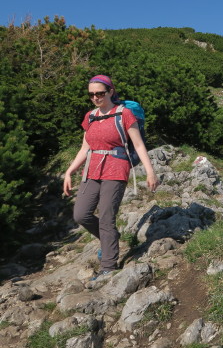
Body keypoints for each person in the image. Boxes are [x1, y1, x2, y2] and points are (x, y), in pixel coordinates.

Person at [63, 75, 158, 279]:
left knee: (107, 216)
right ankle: (111, 239)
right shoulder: (90, 117)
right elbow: (85, 147)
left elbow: (139, 144)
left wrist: (150, 171)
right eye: (91, 95)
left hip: (116, 167)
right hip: (92, 168)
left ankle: (108, 266)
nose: (96, 97)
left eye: (100, 93)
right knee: (81, 214)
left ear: (111, 92)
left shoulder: (124, 114)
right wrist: (69, 171)